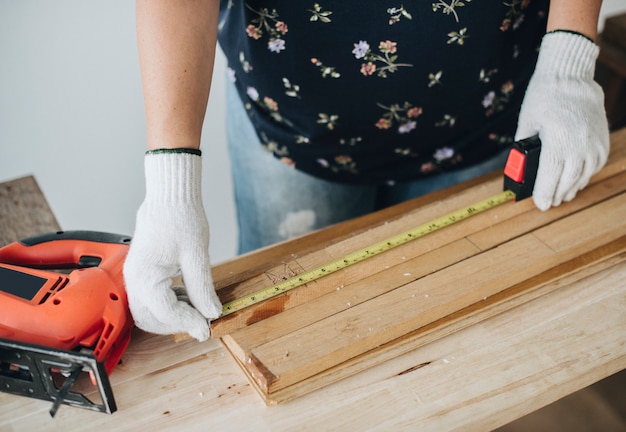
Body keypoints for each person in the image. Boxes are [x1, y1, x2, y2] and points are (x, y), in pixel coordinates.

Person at [123, 0, 609, 342]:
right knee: (287, 336)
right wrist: (171, 182)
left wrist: (571, 56)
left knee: (448, 332)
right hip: (295, 129)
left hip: (486, 107)